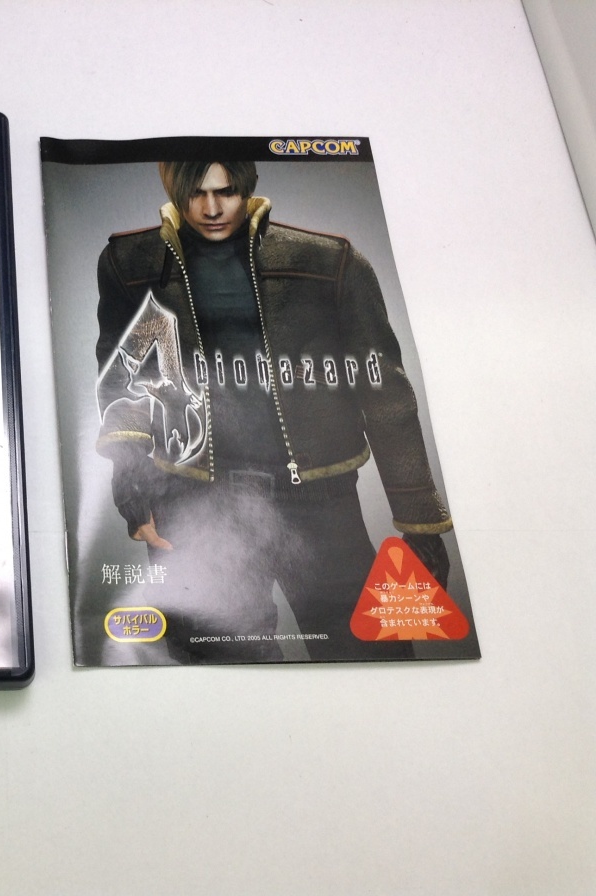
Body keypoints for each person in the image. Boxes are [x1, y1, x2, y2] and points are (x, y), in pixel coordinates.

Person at [95, 160, 452, 663]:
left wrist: (420, 522)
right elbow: (122, 375)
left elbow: (385, 392)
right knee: (220, 674)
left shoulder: (327, 262)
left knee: (370, 661)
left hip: (318, 497)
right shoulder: (129, 262)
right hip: (193, 498)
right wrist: (131, 484)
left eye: (226, 191)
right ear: (174, 189)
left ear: (247, 187)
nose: (212, 208)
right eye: (196, 193)